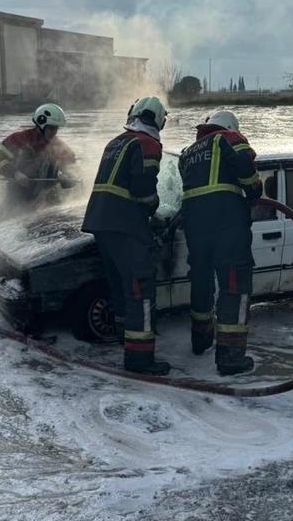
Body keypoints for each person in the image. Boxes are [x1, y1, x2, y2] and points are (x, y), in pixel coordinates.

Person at [81, 96, 170, 376]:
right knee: (140, 289)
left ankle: (124, 337)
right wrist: (154, 207)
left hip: (100, 222)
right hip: (125, 226)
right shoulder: (147, 144)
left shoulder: (117, 141)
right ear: (158, 120)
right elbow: (143, 191)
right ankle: (140, 358)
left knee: (121, 286)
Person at [178, 109, 263, 376]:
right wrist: (253, 189)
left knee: (201, 280)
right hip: (225, 222)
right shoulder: (228, 137)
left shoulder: (188, 152)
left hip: (195, 225)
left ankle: (200, 340)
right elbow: (246, 169)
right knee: (235, 285)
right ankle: (230, 358)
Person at [0, 103, 77, 210]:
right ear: (41, 124)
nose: (54, 132)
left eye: (56, 128)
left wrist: (66, 177)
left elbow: (73, 168)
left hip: (48, 200)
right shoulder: (19, 140)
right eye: (51, 128)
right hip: (18, 197)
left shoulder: (59, 146)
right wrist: (15, 174)